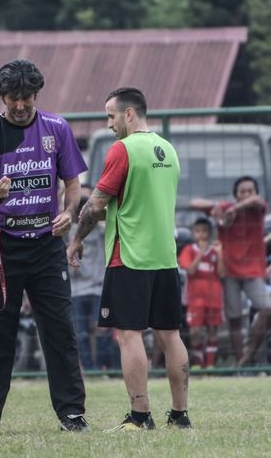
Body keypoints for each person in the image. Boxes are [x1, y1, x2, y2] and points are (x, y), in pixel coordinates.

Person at [0, 59, 88, 435]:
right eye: (11, 98)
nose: (19, 105)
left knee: (59, 329)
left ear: (37, 94)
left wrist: (69, 212)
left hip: (47, 244)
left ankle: (72, 413)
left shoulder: (57, 127)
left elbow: (73, 183)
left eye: (25, 97)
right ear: (0, 97)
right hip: (2, 245)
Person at [68, 87, 191, 431]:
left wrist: (76, 239)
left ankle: (139, 417)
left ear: (129, 114)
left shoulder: (122, 150)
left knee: (129, 335)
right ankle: (180, 416)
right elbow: (139, 204)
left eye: (111, 116)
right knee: (170, 335)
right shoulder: (167, 149)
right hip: (165, 258)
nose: (109, 124)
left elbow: (95, 205)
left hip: (130, 257)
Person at [190, 176, 271, 366]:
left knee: (267, 309)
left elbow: (257, 201)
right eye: (241, 191)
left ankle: (248, 355)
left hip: (254, 271)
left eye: (249, 190)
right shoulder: (224, 207)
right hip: (229, 272)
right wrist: (217, 206)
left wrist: (233, 209)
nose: (246, 194)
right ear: (235, 194)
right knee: (234, 319)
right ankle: (242, 364)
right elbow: (194, 202)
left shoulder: (258, 209)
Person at [178, 217, 225, 368]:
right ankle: (199, 363)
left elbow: (222, 274)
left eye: (205, 231)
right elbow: (190, 270)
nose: (201, 234)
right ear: (193, 233)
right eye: (198, 231)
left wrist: (221, 255)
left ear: (210, 233)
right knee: (195, 332)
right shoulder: (189, 250)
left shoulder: (216, 250)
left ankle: (210, 364)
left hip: (214, 297)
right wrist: (201, 252)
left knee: (213, 330)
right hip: (195, 299)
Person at [69, 185, 107, 370]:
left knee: (102, 330)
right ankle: (89, 368)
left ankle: (102, 367)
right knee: (81, 333)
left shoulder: (100, 230)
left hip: (98, 288)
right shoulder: (68, 232)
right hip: (77, 290)